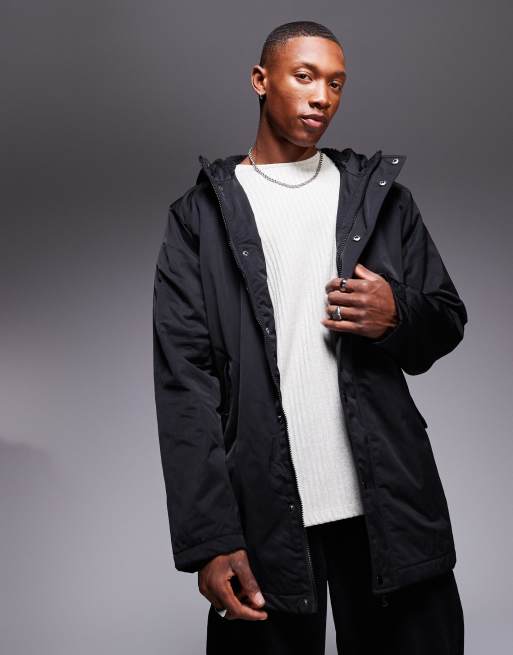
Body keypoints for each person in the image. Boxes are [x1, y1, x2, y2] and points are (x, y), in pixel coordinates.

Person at [152, 20, 467, 655]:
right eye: (305, 76)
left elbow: (445, 320)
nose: (323, 96)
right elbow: (185, 386)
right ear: (260, 80)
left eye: (336, 83)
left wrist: (396, 313)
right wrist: (210, 540)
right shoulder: (200, 217)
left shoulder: (381, 200)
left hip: (390, 508)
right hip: (265, 517)